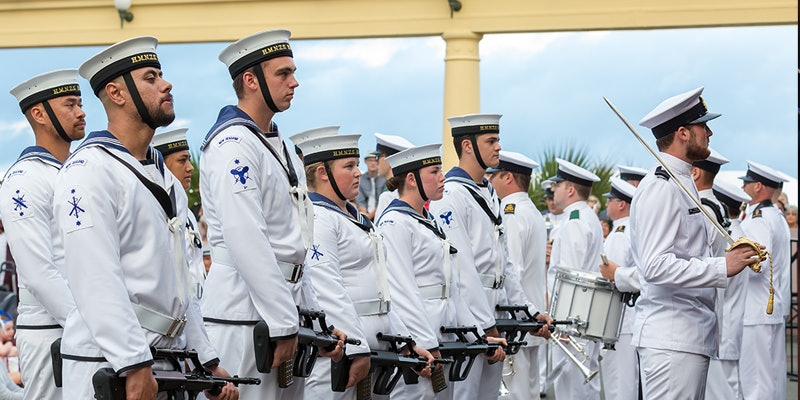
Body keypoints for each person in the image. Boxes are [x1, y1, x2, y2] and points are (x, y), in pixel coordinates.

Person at [53, 36, 235, 399]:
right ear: (116, 94)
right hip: (109, 363)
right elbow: (95, 277)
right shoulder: (89, 170)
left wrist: (207, 360)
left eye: (160, 76)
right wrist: (133, 362)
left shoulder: (163, 176)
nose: (166, 85)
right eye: (150, 78)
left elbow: (183, 284)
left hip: (164, 358)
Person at [199, 29, 341, 399]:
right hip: (245, 317)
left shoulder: (278, 146)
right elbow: (247, 238)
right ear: (250, 80)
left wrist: (315, 318)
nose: (295, 82)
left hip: (282, 315)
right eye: (283, 73)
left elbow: (296, 247)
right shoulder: (233, 144)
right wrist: (283, 323)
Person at [632, 87, 757, 398]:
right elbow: (654, 265)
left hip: (686, 337)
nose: (710, 132)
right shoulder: (662, 187)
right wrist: (721, 267)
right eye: (703, 125)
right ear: (683, 133)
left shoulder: (681, 180)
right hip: (671, 339)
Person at [299, 134, 433, 399]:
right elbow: (327, 289)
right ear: (323, 173)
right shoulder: (319, 217)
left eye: (357, 164)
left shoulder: (355, 218)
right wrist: (356, 348)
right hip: (341, 355)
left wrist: (406, 340)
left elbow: (381, 292)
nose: (359, 172)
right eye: (349, 166)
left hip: (374, 349)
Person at [428, 114, 550, 400]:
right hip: (468, 317)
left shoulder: (488, 192)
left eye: (497, 140)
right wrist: (485, 324)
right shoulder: (452, 194)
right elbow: (461, 268)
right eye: (491, 141)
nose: (498, 147)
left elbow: (505, 263)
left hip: (492, 312)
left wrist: (527, 311)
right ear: (468, 146)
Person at [2, 69, 85, 400]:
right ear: (39, 114)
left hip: (81, 328)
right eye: (70, 104)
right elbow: (39, 273)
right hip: (52, 332)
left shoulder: (76, 170)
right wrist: (90, 328)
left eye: (80, 103)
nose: (81, 112)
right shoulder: (25, 178)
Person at [486, 150, 550, 400]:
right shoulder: (530, 209)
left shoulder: (510, 212)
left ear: (508, 177)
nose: (490, 182)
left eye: (494, 176)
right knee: (528, 392)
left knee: (514, 394)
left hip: (515, 321)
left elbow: (510, 269)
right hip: (527, 318)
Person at [547, 158, 603, 400]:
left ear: (570, 189)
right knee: (582, 387)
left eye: (557, 186)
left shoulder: (574, 221)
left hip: (572, 319)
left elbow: (571, 276)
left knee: (570, 389)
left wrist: (563, 323)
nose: (553, 191)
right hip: (583, 316)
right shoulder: (585, 216)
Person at [738, 160, 791, 400]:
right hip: (769, 309)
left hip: (756, 309)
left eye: (747, 184)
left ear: (758, 186)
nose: (743, 187)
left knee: (756, 383)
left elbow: (758, 263)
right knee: (772, 379)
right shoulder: (775, 215)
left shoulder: (758, 218)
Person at [597, 177, 639, 400]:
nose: (606, 205)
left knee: (619, 384)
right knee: (625, 382)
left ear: (621, 204)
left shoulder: (621, 232)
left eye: (610, 200)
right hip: (627, 318)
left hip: (620, 319)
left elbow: (611, 275)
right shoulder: (630, 229)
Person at [152, 128, 206, 299]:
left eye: (189, 160)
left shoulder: (188, 213)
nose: (190, 168)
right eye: (182, 161)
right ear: (161, 166)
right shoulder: (154, 209)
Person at [373, 133, 415, 217]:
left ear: (389, 159)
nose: (375, 163)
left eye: (378, 157)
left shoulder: (387, 196)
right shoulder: (411, 191)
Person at [356, 151, 386, 220]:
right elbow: (360, 201)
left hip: (381, 214)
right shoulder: (361, 179)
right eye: (370, 160)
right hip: (365, 215)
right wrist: (365, 216)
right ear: (365, 161)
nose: (372, 163)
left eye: (375, 161)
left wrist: (369, 216)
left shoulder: (384, 178)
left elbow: (383, 202)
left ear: (378, 162)